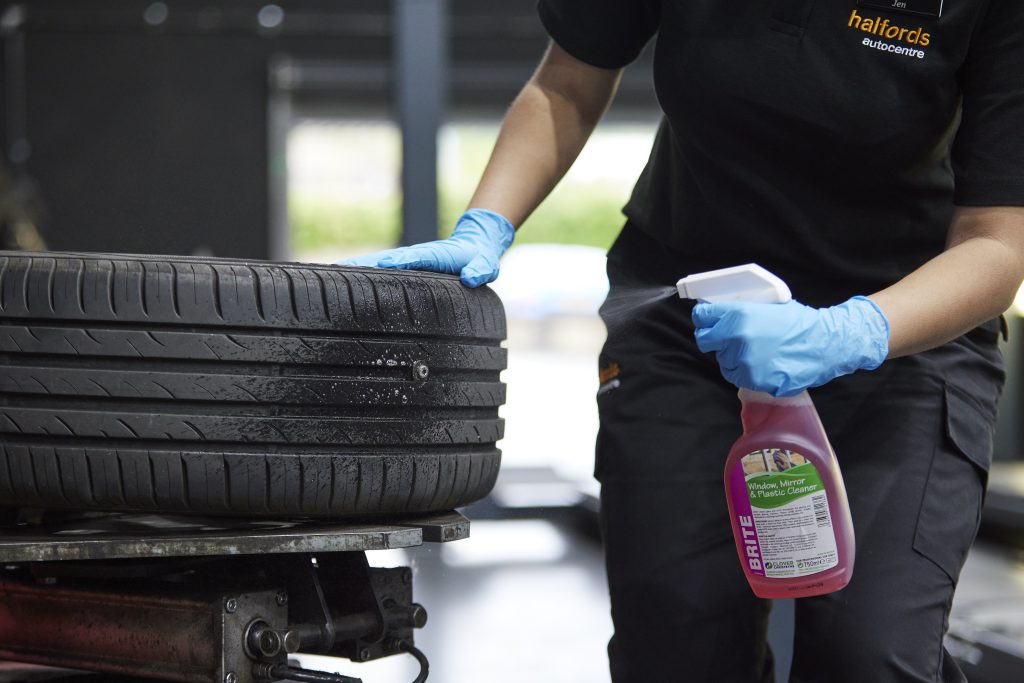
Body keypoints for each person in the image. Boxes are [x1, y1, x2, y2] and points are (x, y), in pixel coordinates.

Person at [341, 1, 1024, 681]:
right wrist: (485, 222)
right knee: (675, 648)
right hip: (688, 318)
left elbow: (999, 240)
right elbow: (567, 81)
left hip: (902, 338)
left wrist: (854, 330)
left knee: (869, 657)